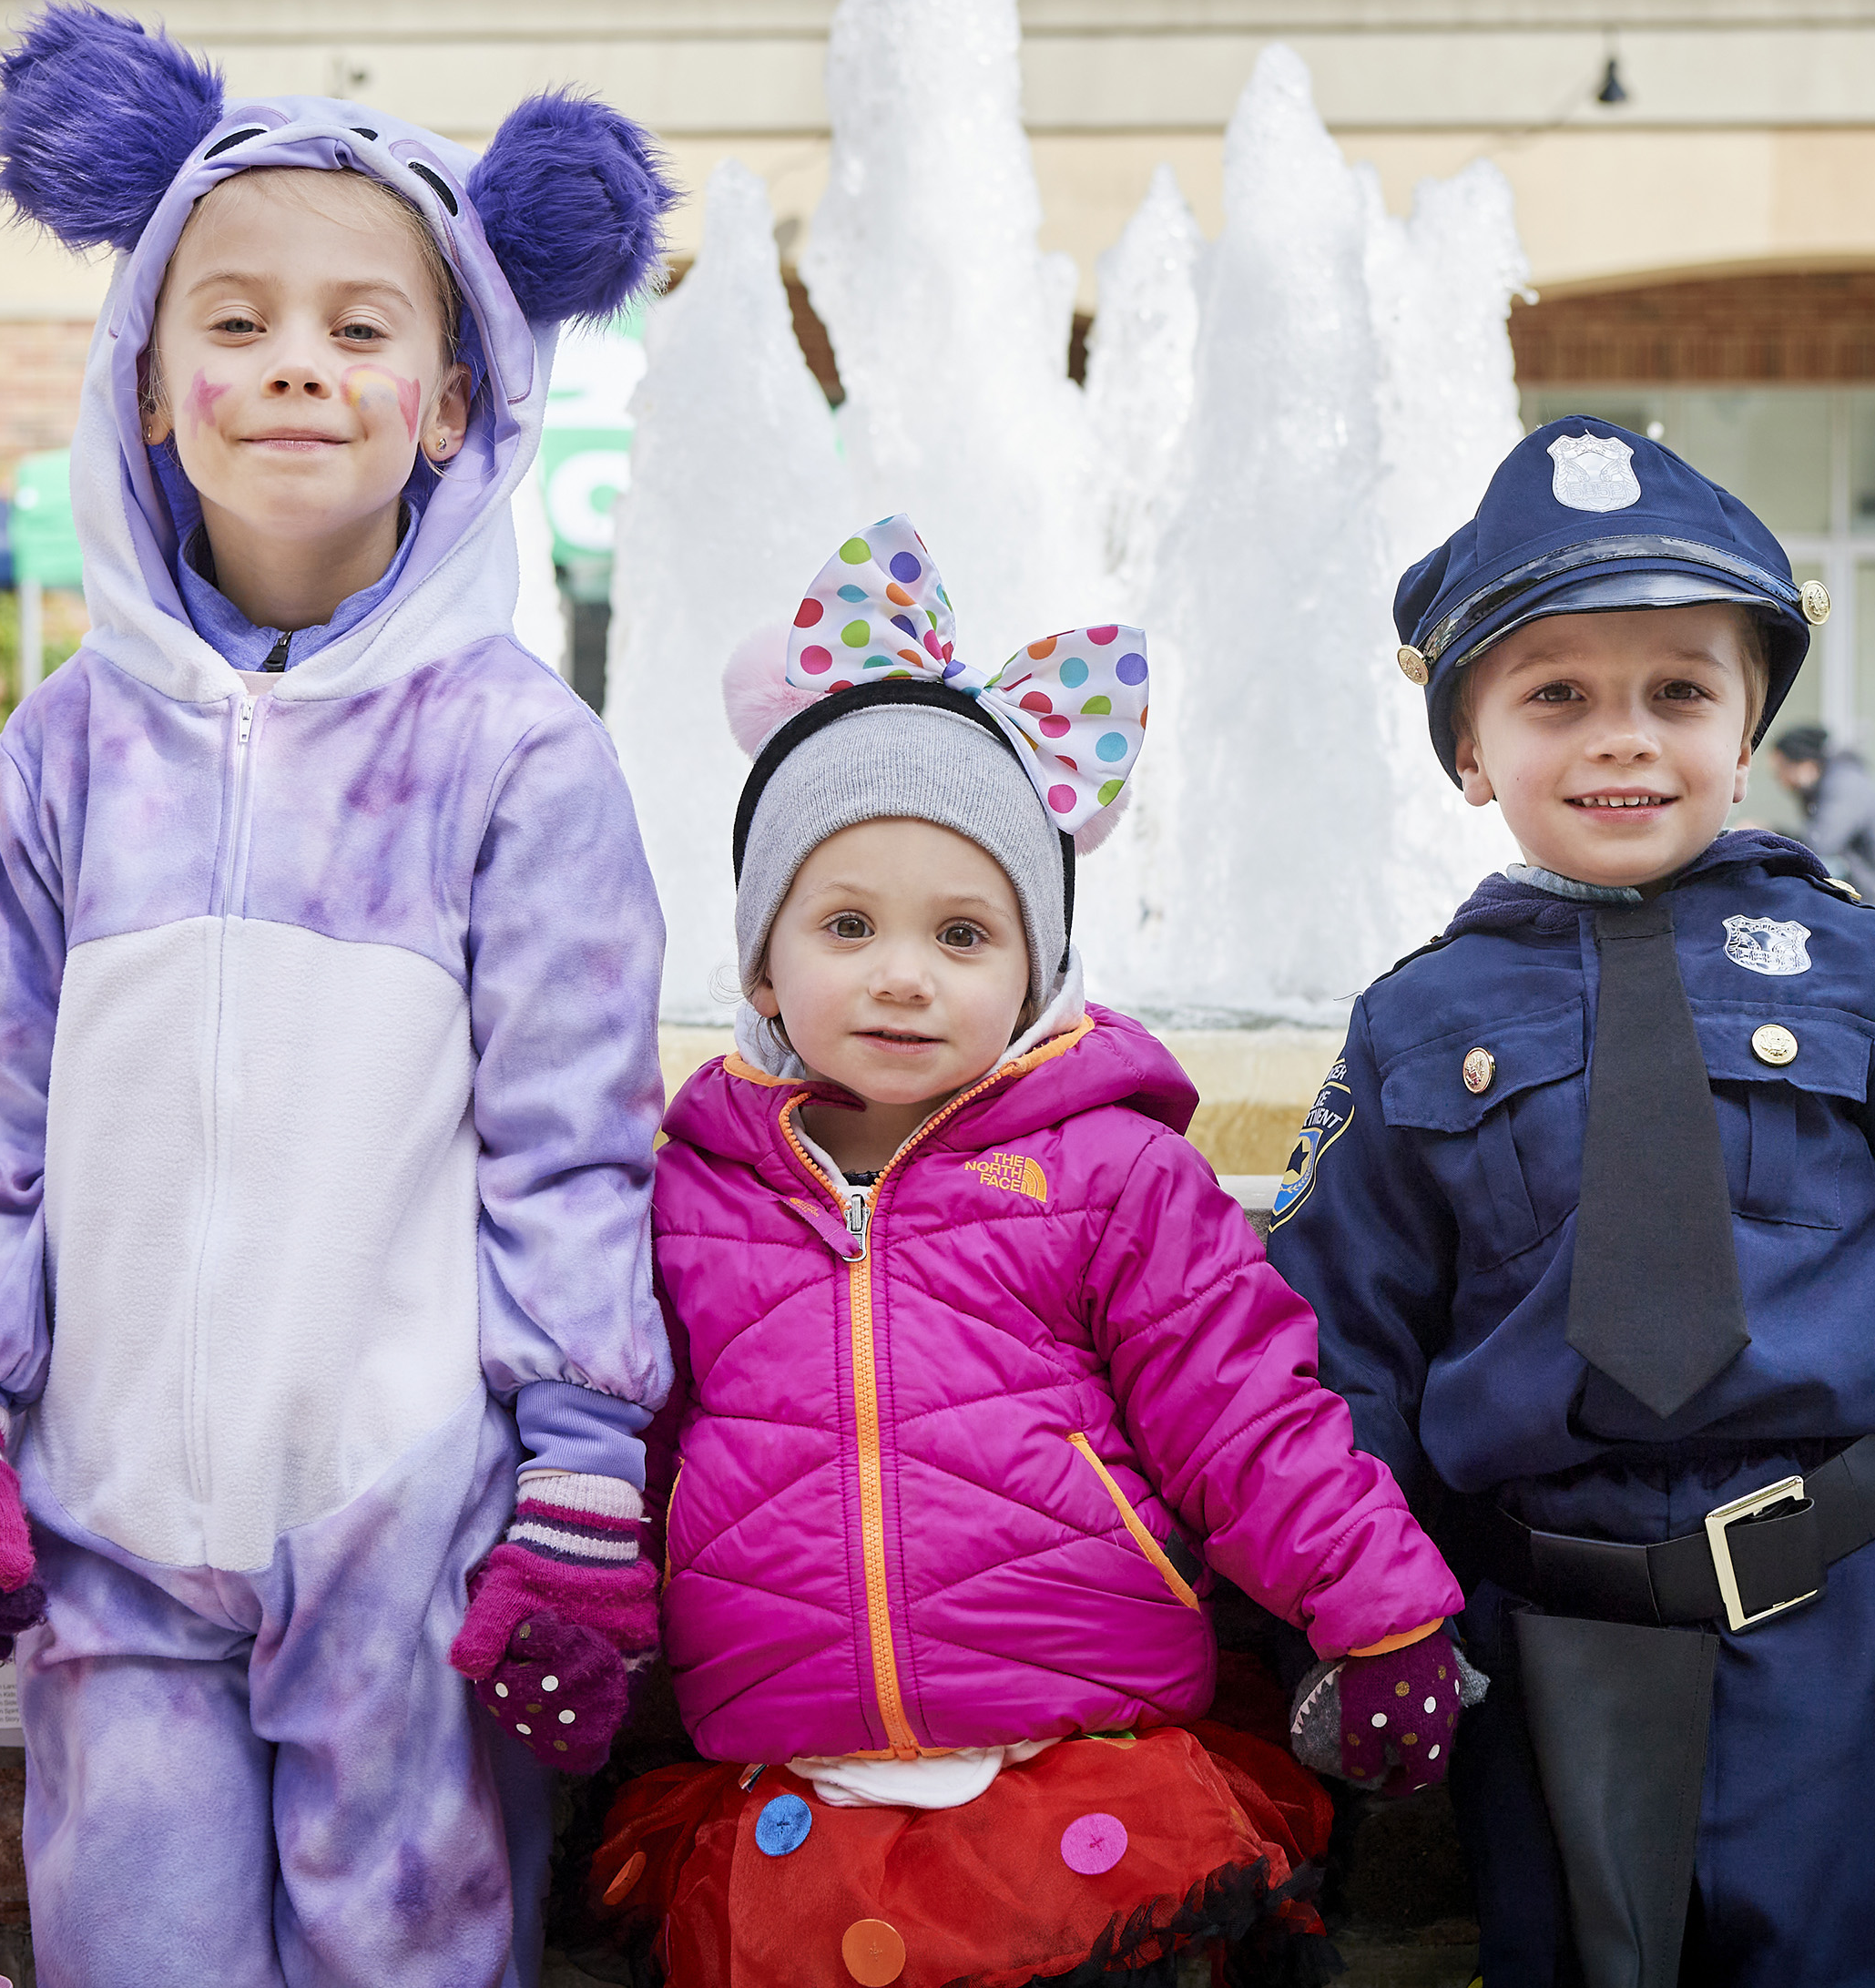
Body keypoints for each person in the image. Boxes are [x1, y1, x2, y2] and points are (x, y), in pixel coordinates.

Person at [0, 6, 678, 1988]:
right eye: (231, 321)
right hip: (108, 1530)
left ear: (457, 398)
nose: (296, 358)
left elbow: (571, 1145)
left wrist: (581, 1469)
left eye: (360, 325)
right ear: (146, 385)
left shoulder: (525, 761)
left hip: (411, 1541)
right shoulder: (65, 755)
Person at [1267, 416, 1875, 1988]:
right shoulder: (1415, 1022)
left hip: (1845, 1612)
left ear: (1748, 728)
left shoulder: (1870, 971)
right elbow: (1339, 1352)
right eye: (1556, 696)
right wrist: (1374, 1620)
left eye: (1678, 691)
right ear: (1470, 750)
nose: (1622, 738)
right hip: (1545, 1625)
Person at [594, 523, 1467, 1988]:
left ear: (1039, 969)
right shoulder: (695, 1192)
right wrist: (582, 1607)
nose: (901, 973)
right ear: (760, 960)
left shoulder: (1114, 1175)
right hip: (805, 1797)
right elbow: (631, 1429)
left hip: (1083, 1768)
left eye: (963, 934)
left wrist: (1380, 1615)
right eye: (847, 922)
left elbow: (1246, 1423)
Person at [1768, 723, 1875, 921]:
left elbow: (1819, 843)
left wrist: (1768, 833)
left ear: (1805, 765)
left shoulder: (1844, 785)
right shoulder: (1828, 784)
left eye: (1780, 770)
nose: (1780, 780)